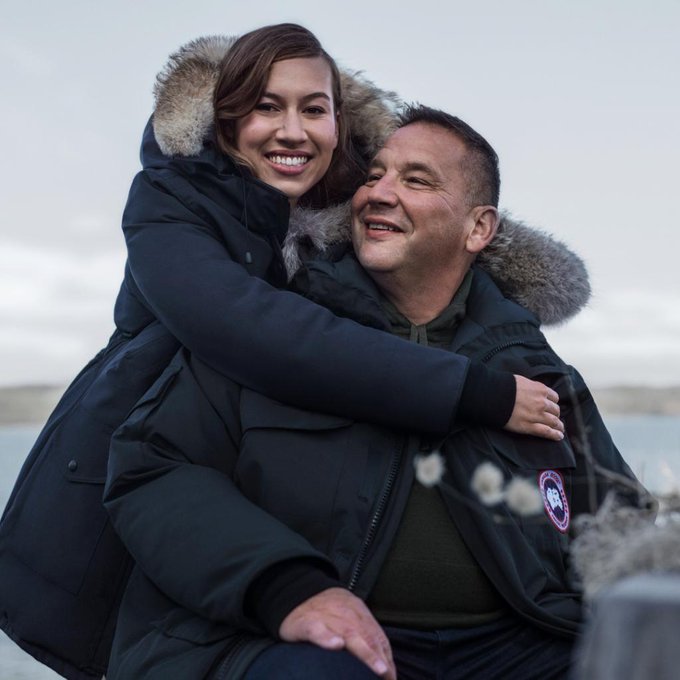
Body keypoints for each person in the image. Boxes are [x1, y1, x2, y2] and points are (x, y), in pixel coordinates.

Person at [0, 25, 584, 680]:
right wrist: (477, 390)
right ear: (225, 119)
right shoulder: (170, 202)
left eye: (314, 109)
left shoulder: (328, 228)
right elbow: (258, 332)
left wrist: (488, 275)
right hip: (118, 469)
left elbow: (440, 216)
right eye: (266, 106)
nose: (292, 130)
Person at [103, 105, 643, 680]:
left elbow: (619, 518)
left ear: (479, 229)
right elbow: (154, 470)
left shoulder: (537, 371)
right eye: (374, 175)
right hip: (303, 641)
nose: (378, 194)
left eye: (417, 180)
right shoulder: (273, 337)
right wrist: (285, 588)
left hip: (517, 646)